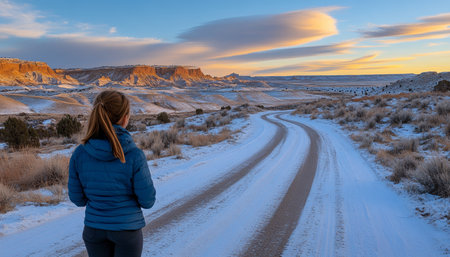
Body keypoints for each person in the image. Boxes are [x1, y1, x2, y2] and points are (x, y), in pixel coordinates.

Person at [68, 90, 156, 257]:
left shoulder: (80, 153)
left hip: (94, 230)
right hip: (127, 230)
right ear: (124, 118)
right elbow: (148, 200)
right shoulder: (134, 154)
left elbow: (77, 199)